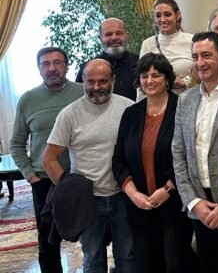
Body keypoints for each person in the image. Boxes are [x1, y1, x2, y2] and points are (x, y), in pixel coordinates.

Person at [43, 59, 135, 272]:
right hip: (88, 201)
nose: (96, 87)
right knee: (93, 259)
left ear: (113, 80)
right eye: (90, 81)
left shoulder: (129, 108)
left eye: (102, 81)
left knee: (128, 257)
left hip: (124, 196)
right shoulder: (69, 114)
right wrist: (70, 192)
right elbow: (49, 159)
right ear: (83, 80)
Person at [112, 53, 195, 272]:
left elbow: (190, 156)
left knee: (177, 265)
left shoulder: (183, 108)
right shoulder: (131, 114)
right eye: (144, 75)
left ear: (167, 79)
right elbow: (118, 160)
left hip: (175, 206)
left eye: (156, 75)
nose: (150, 80)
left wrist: (167, 189)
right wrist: (134, 195)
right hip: (140, 207)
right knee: (146, 266)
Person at [171, 32, 218, 273]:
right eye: (195, 57)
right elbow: (178, 153)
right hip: (199, 207)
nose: (200, 62)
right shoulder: (185, 100)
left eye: (206, 55)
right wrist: (193, 202)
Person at [9, 47, 83, 273]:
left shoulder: (83, 92)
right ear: (39, 69)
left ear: (67, 66)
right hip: (44, 181)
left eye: (57, 62)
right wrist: (31, 175)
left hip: (81, 177)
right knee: (48, 241)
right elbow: (16, 143)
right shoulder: (28, 100)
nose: (52, 68)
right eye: (46, 64)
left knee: (91, 235)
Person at [139, 0, 194, 94]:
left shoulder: (192, 40)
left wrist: (184, 83)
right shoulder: (148, 43)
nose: (163, 19)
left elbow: (202, 75)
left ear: (177, 15)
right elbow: (142, 79)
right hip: (158, 100)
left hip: (187, 98)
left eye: (167, 14)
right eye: (158, 16)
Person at [76, 18, 139, 101]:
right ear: (100, 38)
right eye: (108, 34)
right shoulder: (87, 69)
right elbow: (79, 101)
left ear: (127, 36)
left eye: (119, 33)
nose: (114, 38)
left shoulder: (140, 64)